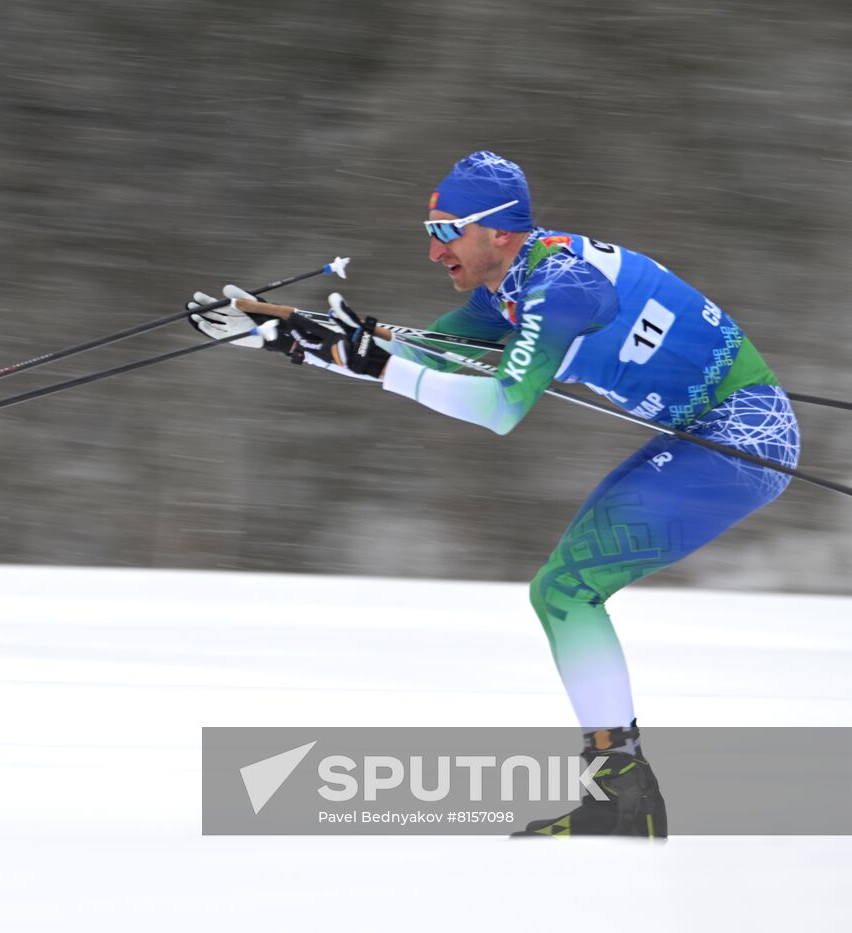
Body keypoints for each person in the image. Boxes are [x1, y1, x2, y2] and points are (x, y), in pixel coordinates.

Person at [189, 151, 800, 838]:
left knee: (565, 590)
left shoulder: (559, 289)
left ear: (498, 230)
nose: (432, 248)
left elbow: (498, 407)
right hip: (707, 426)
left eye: (446, 229)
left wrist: (372, 361)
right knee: (562, 590)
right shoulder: (516, 277)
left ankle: (625, 796)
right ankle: (622, 793)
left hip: (745, 435)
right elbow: (423, 357)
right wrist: (285, 334)